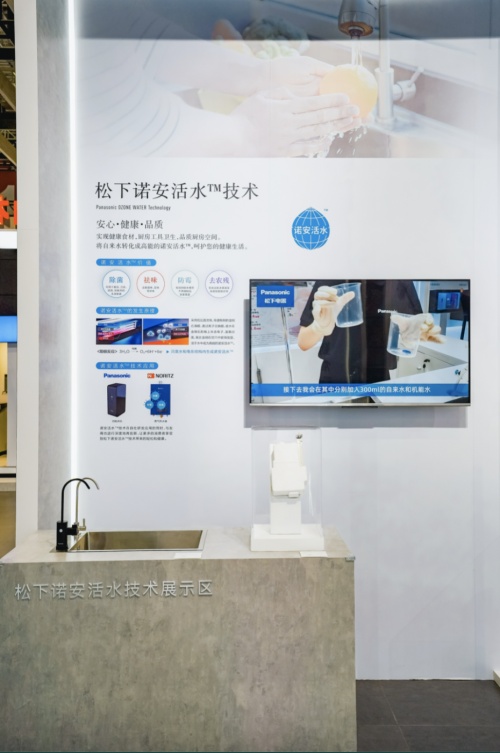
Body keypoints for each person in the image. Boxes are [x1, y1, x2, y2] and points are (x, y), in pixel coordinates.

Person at [297, 280, 442, 384]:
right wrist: (318, 328)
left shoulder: (397, 280)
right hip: (335, 377)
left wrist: (414, 335)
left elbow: (414, 330)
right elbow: (303, 342)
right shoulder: (333, 277)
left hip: (377, 377)